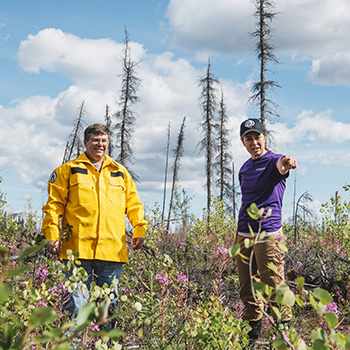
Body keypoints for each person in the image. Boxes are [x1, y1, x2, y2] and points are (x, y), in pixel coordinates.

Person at [41, 123, 147, 318]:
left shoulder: (120, 172)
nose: (100, 144)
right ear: (86, 142)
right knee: (76, 309)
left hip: (112, 251)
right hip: (77, 251)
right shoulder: (68, 170)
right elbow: (53, 207)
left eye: (104, 141)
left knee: (106, 310)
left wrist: (139, 230)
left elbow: (134, 205)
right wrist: (52, 235)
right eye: (95, 140)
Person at [236, 118, 296, 347]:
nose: (254, 143)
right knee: (248, 288)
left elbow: (283, 164)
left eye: (257, 137)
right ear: (243, 142)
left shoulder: (273, 162)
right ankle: (251, 340)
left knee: (274, 286)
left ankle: (285, 338)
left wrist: (288, 162)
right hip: (243, 234)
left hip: (268, 235)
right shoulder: (244, 167)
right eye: (248, 139)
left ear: (265, 137)